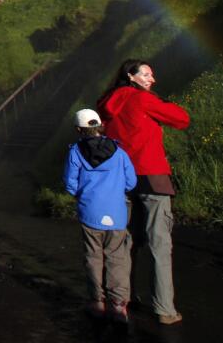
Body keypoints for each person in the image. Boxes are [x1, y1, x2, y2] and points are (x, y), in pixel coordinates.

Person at [97, 59, 191, 325]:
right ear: (131, 76)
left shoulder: (106, 102)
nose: (153, 79)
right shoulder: (143, 100)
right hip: (150, 175)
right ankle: (164, 308)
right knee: (159, 243)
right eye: (147, 74)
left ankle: (121, 299)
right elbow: (182, 119)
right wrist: (157, 101)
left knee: (124, 241)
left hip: (119, 177)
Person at [63, 108, 137, 322]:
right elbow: (131, 182)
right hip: (117, 213)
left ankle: (97, 302)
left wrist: (83, 194)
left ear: (79, 129)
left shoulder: (75, 152)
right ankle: (118, 305)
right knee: (117, 257)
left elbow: (70, 184)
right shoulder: (119, 151)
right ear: (99, 126)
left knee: (93, 256)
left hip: (89, 211)